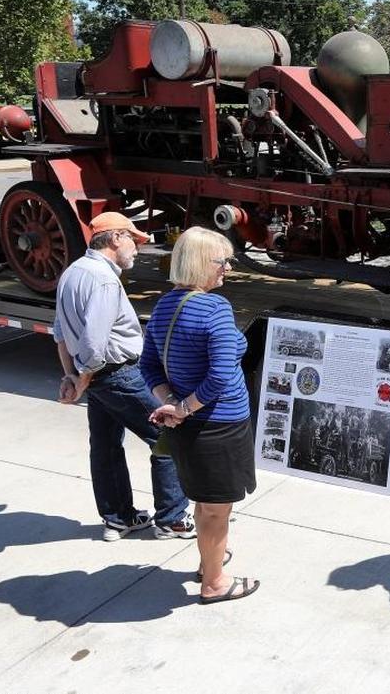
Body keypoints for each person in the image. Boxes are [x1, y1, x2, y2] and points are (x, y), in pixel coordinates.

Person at [54, 211, 194, 542]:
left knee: (104, 446)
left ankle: (118, 518)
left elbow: (60, 332)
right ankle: (172, 519)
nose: (138, 249)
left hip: (98, 379)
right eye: (135, 240)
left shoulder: (73, 272)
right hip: (118, 374)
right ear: (116, 237)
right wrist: (81, 381)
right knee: (169, 436)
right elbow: (94, 345)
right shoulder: (103, 279)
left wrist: (70, 376)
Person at [140, 226, 259, 605]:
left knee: (204, 502)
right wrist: (184, 406)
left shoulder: (164, 306)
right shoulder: (214, 308)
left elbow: (148, 366)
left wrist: (173, 403)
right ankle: (215, 583)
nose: (227, 268)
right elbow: (222, 374)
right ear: (198, 263)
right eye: (221, 261)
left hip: (191, 429)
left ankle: (210, 563)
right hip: (219, 426)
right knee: (215, 510)